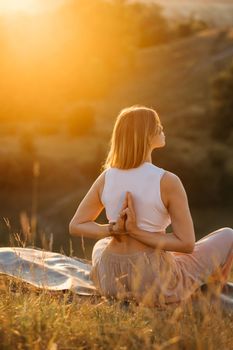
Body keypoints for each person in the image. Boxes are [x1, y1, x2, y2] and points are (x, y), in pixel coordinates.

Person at [69, 105, 233, 307]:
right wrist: (136, 232)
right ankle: (212, 295)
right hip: (153, 282)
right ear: (146, 135)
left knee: (101, 244)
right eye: (156, 124)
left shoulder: (106, 176)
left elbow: (76, 225)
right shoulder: (167, 181)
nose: (161, 127)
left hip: (110, 280)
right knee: (228, 235)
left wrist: (112, 229)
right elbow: (187, 243)